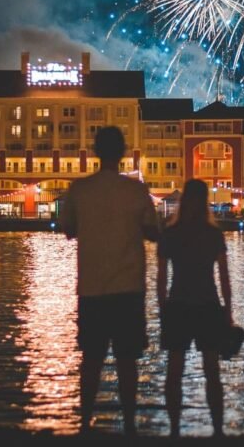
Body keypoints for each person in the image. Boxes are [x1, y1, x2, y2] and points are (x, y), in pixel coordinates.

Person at [59, 126, 160, 435]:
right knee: (128, 359)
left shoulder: (79, 190)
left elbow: (68, 229)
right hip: (128, 287)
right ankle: (129, 424)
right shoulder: (136, 191)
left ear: (94, 152)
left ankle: (85, 423)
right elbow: (153, 231)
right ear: (123, 153)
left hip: (92, 287)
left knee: (91, 358)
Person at [157, 179, 233, 438]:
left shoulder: (170, 232)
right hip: (208, 304)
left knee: (174, 371)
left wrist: (162, 308)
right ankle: (218, 430)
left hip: (177, 304)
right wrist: (228, 311)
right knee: (212, 371)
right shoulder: (213, 234)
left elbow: (160, 278)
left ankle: (175, 429)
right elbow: (224, 276)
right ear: (205, 202)